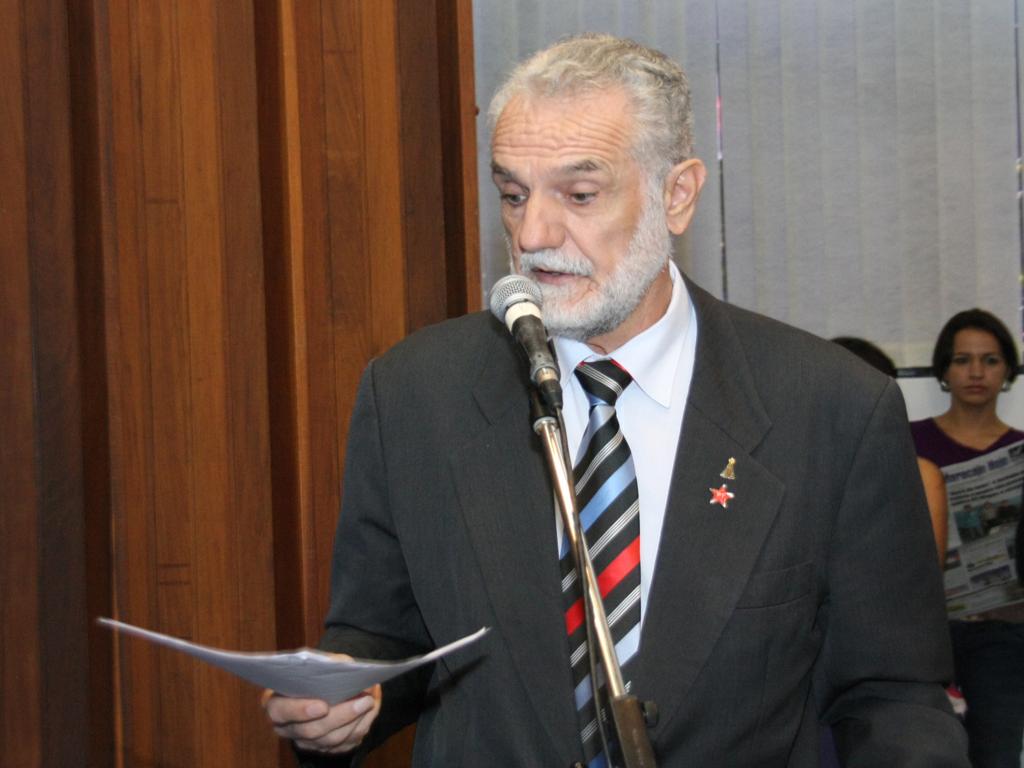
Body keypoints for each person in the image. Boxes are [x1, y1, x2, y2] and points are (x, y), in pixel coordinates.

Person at [264, 34, 968, 766]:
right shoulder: (415, 394)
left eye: (579, 195)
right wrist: (348, 700)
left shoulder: (830, 408)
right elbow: (384, 635)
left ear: (677, 195)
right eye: (513, 194)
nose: (533, 234)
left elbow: (891, 697)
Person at [911, 309, 1024, 768]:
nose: (976, 372)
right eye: (962, 360)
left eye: (990, 360)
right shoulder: (909, 441)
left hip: (1003, 633)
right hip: (922, 633)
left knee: (997, 754)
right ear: (944, 369)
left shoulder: (1020, 449)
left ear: (1008, 371)